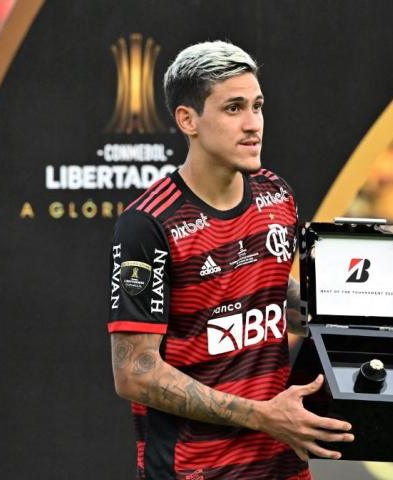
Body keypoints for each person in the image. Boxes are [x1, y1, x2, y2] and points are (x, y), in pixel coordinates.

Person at [107, 40, 353, 480]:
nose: (253, 124)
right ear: (189, 120)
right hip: (194, 470)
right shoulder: (148, 223)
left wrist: (349, 305)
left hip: (281, 462)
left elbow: (270, 296)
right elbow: (134, 372)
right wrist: (262, 414)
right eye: (233, 108)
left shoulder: (277, 194)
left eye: (257, 106)